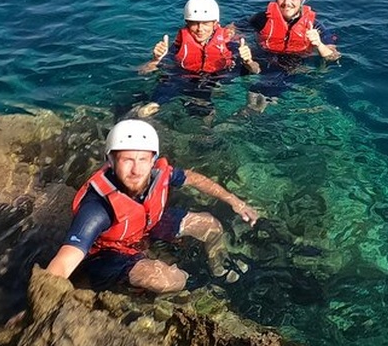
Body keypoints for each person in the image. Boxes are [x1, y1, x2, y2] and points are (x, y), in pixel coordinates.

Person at [45, 119, 259, 293]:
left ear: (152, 159)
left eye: (143, 159)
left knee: (210, 225)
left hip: (146, 225)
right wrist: (44, 298)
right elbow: (65, 260)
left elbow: (193, 178)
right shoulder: (97, 208)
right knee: (169, 280)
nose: (137, 170)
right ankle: (186, 287)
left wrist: (234, 202)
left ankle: (219, 269)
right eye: (127, 160)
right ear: (110, 160)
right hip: (110, 252)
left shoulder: (157, 173)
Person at [137, 0, 260, 118]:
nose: (200, 29)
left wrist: (248, 61)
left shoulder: (229, 45)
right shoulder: (178, 47)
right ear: (187, 23)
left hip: (216, 77)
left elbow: (256, 70)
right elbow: (143, 72)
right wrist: (155, 60)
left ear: (215, 23)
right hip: (185, 75)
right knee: (165, 87)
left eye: (205, 23)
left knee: (202, 111)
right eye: (194, 23)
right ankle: (152, 107)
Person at [243, 0, 340, 111]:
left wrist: (319, 44)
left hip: (294, 63)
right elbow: (233, 29)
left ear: (302, 0)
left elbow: (334, 56)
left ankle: (254, 111)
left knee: (265, 89)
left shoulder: (315, 26)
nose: (287, 3)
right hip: (264, 56)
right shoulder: (261, 19)